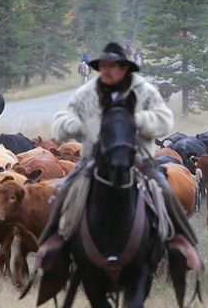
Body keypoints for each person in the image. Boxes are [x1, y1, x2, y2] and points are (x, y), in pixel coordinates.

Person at [41, 41, 199, 257]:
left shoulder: (143, 90)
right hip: (94, 161)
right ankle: (54, 248)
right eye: (102, 66)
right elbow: (62, 118)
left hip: (139, 160)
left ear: (124, 68)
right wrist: (76, 126)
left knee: (165, 191)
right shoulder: (88, 92)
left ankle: (179, 244)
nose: (105, 70)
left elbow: (165, 119)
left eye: (111, 66)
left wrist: (133, 121)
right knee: (65, 192)